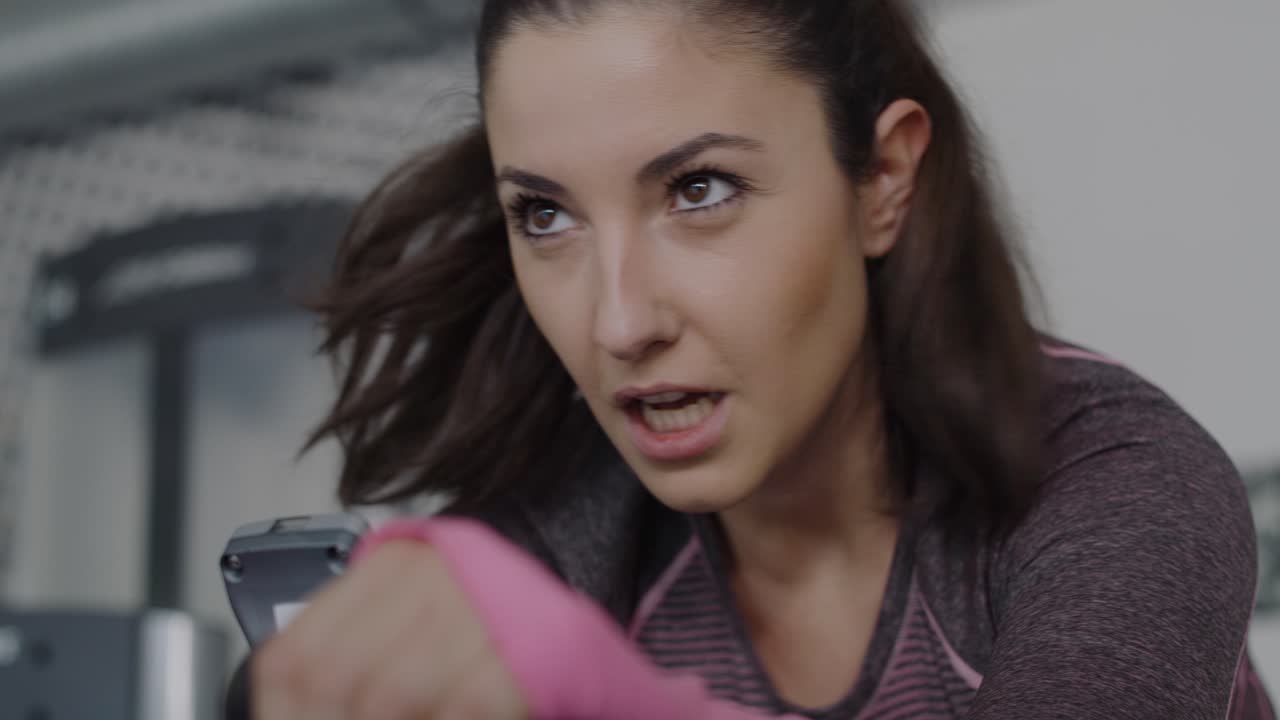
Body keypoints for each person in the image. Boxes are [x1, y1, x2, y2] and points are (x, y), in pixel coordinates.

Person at [243, 0, 1276, 717]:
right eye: (545, 214)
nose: (617, 323)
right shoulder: (559, 537)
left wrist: (621, 706)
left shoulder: (1115, 484)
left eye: (698, 190)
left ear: (881, 178)